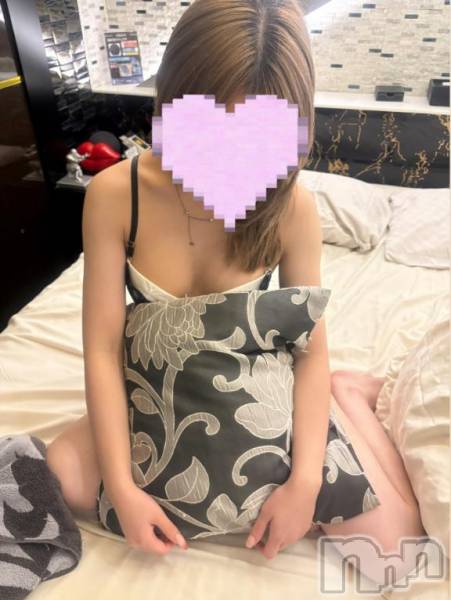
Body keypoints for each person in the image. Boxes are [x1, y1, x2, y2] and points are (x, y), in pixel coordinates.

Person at [46, 0, 426, 580]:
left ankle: (348, 396)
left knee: (394, 557)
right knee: (65, 475)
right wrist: (121, 486)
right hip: (157, 385)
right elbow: (102, 347)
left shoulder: (292, 206)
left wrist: (304, 483)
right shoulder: (116, 195)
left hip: (257, 383)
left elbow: (308, 348)